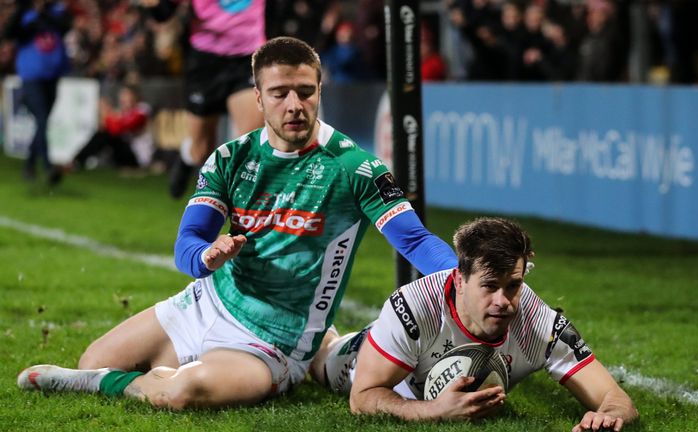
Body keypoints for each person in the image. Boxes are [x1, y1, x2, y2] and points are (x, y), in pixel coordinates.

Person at [17, 36, 457, 410]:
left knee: (182, 392)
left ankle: (171, 374)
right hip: (206, 302)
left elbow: (415, 240)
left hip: (276, 338)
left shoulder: (354, 166)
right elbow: (188, 242)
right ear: (258, 95)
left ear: (320, 90)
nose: (295, 105)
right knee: (94, 356)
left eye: (305, 91)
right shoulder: (230, 158)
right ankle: (144, 369)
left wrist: (461, 280)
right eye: (280, 92)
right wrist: (207, 256)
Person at [317, 217, 638, 431]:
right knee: (319, 357)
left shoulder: (539, 323)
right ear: (459, 280)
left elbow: (616, 397)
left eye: (513, 285)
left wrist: (608, 417)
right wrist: (435, 411)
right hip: (369, 354)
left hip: (409, 352)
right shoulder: (414, 307)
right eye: (489, 286)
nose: (503, 300)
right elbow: (362, 398)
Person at [139, 0, 267, 198]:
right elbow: (163, 13)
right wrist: (153, 6)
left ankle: (239, 212)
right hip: (206, 60)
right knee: (202, 150)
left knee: (249, 144)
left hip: (247, 57)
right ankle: (187, 156)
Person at [3, 0, 71, 185]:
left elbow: (66, 26)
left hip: (53, 75)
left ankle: (30, 164)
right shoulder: (23, 13)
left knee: (43, 121)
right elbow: (9, 33)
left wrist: (42, 14)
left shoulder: (56, 10)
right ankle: (48, 167)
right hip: (31, 75)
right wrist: (26, 13)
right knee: (41, 118)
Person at [72, 84, 152, 170]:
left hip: (138, 156)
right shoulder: (123, 111)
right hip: (125, 152)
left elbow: (118, 129)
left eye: (126, 95)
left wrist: (106, 113)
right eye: (122, 95)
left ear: (135, 96)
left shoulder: (141, 111)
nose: (123, 98)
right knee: (103, 134)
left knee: (106, 134)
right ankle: (78, 161)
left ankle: (78, 161)